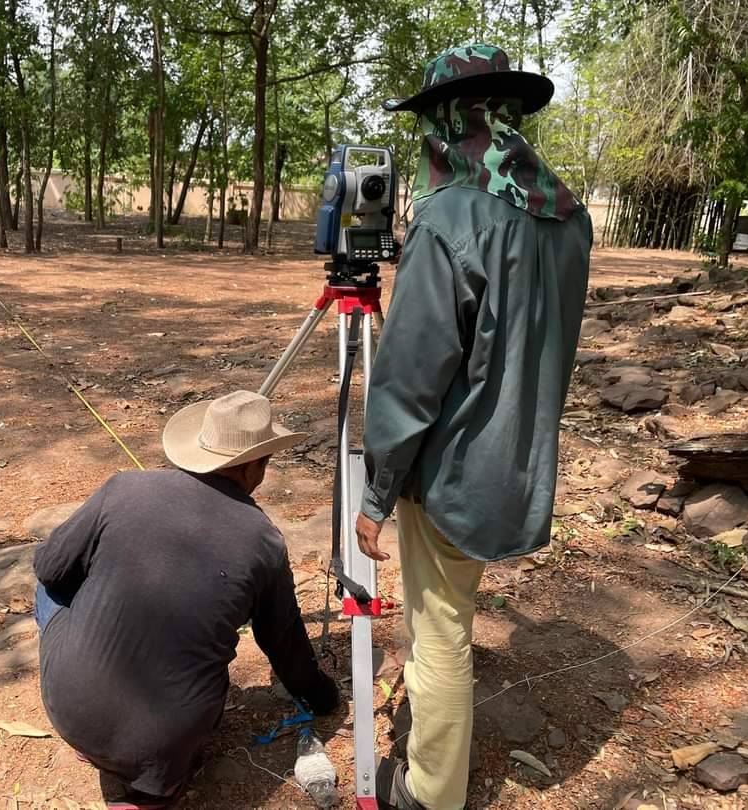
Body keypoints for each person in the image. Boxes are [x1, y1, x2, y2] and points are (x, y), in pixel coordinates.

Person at [355, 45, 592, 810]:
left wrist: (376, 493)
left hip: (454, 474)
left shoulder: (450, 215)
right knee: (450, 614)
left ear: (449, 123)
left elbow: (409, 378)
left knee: (440, 632)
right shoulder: (568, 216)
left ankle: (430, 792)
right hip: (518, 466)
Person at [34, 390, 339, 809]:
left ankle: (103, 736)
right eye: (265, 463)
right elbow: (282, 643)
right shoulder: (265, 541)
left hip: (68, 711)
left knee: (51, 589)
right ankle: (154, 785)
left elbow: (49, 567)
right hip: (166, 743)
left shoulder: (124, 487)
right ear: (252, 466)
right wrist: (323, 697)